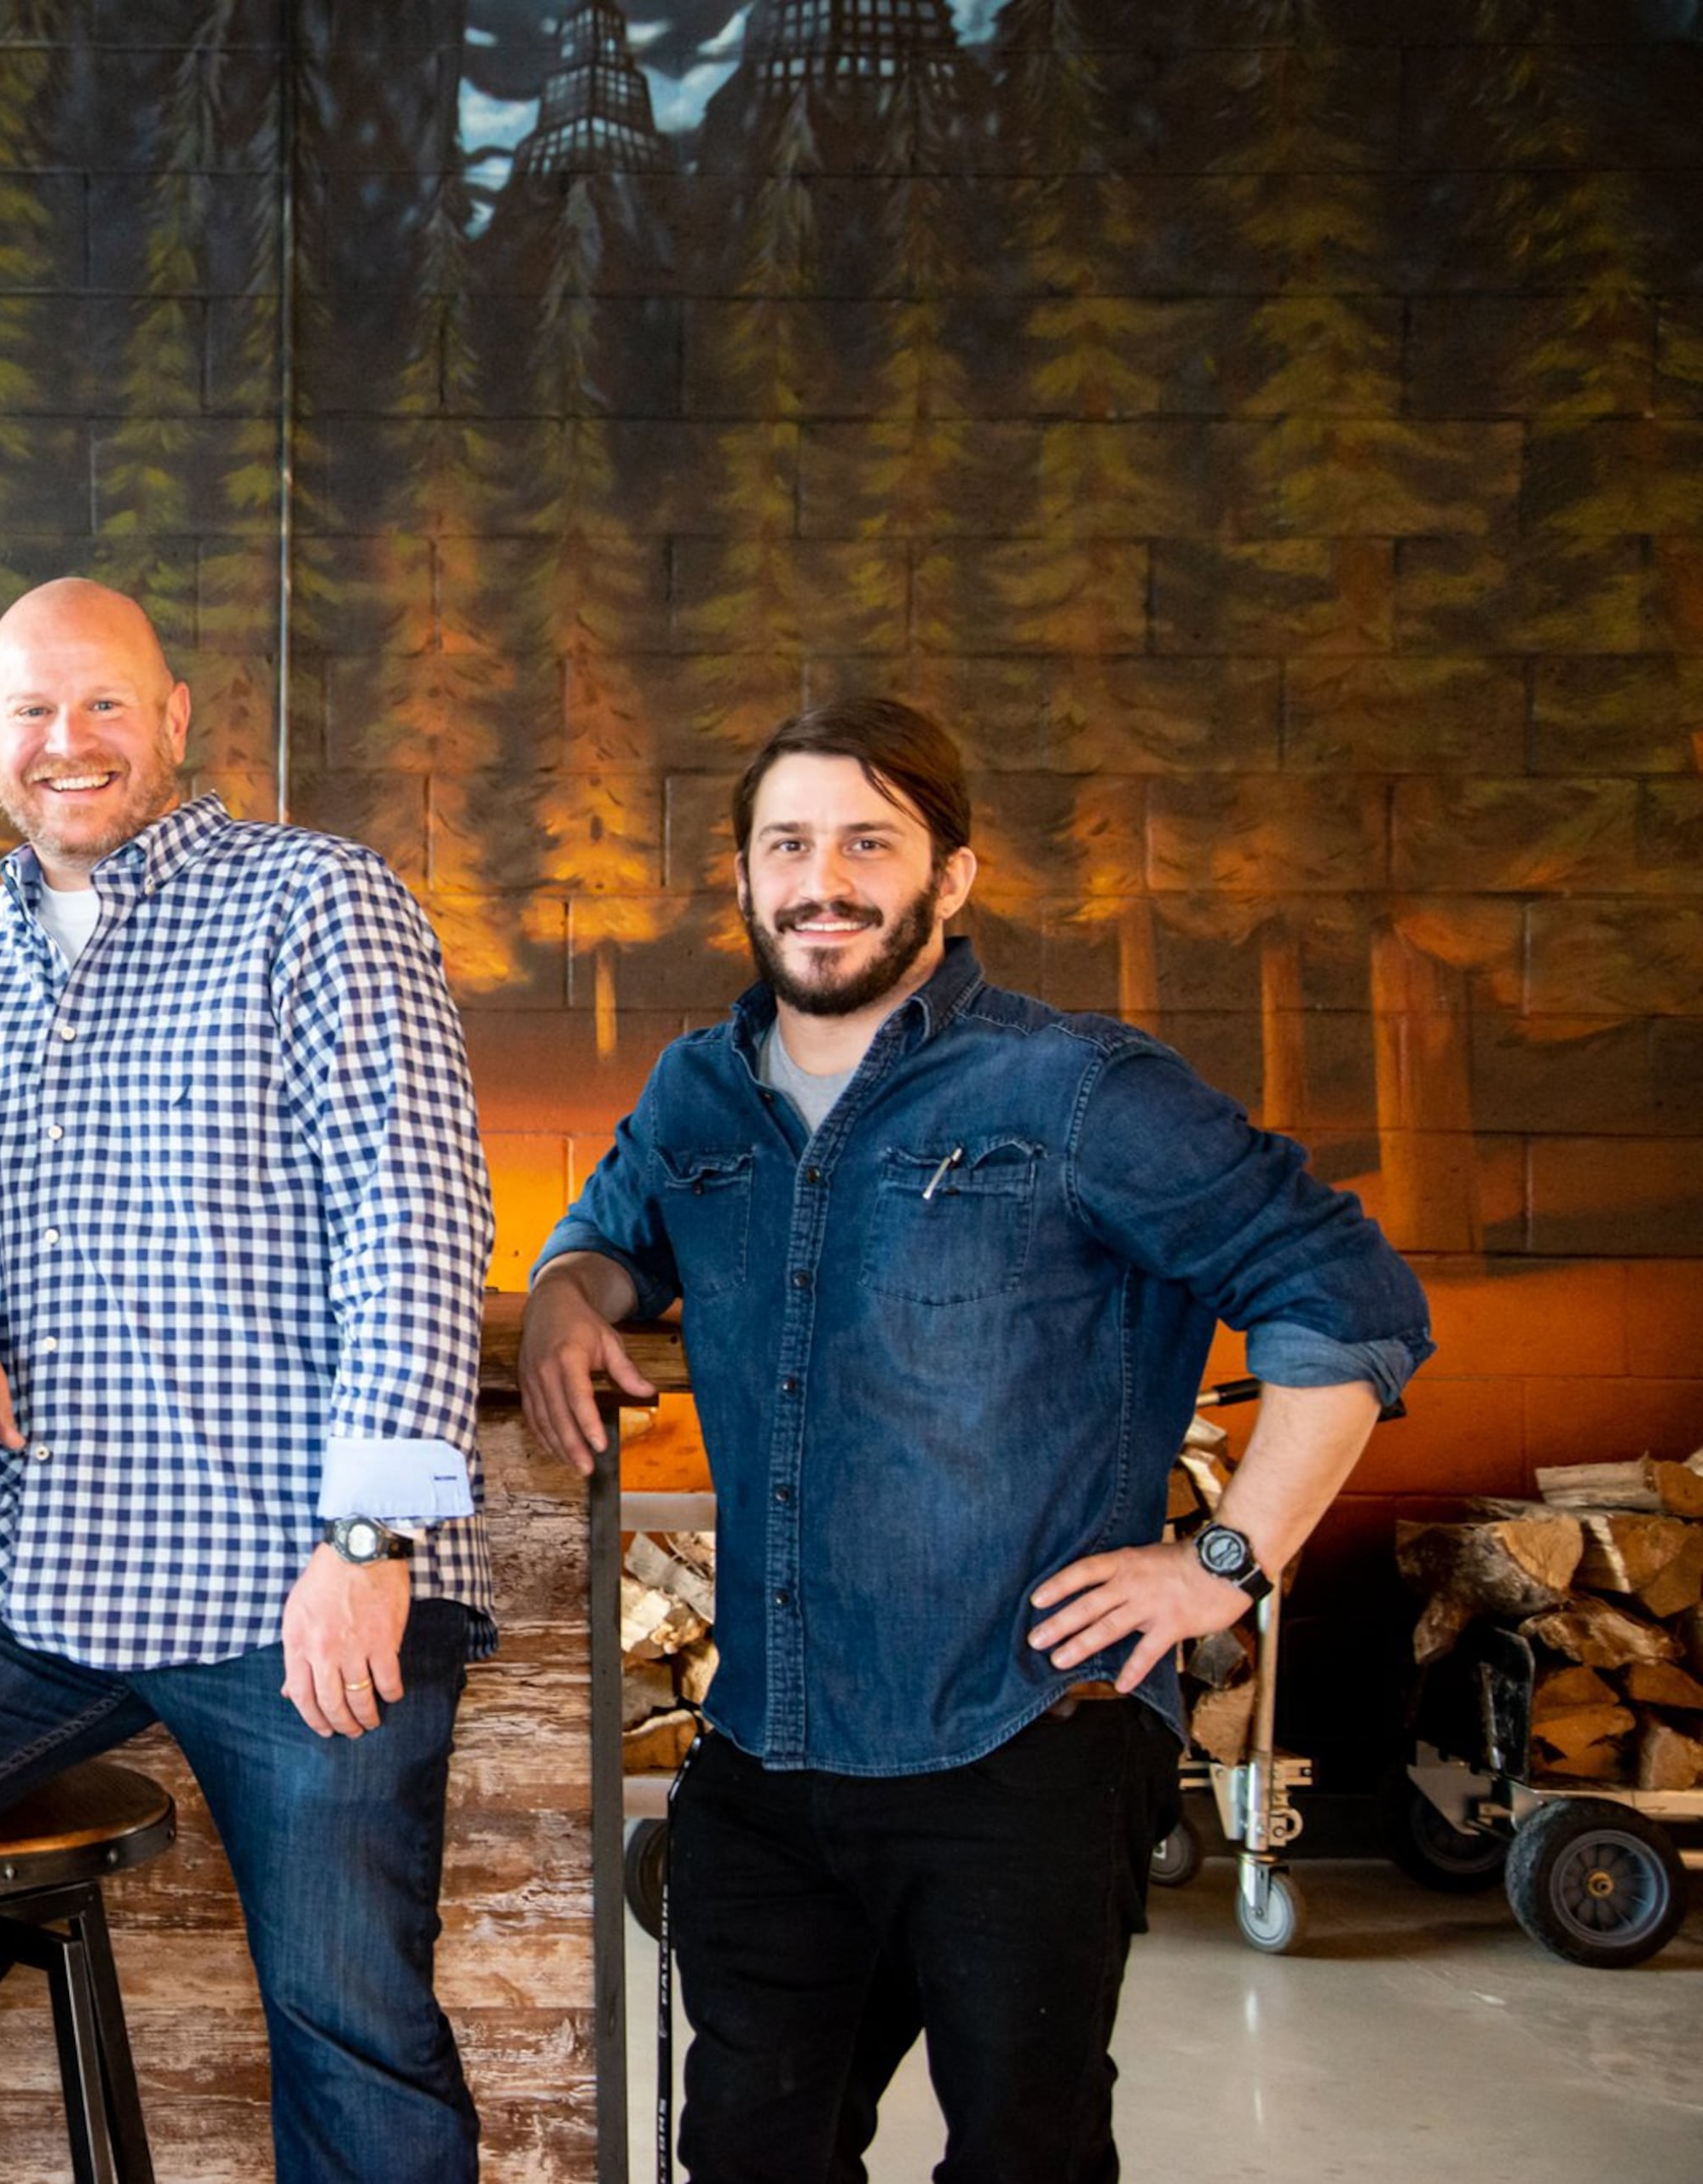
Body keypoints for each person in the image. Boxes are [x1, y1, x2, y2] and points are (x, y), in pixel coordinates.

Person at [518, 696, 1434, 2183]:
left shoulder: (1077, 1090)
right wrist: (572, 1289)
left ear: (950, 877)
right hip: (769, 1749)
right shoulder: (699, 1088)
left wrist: (1221, 1562)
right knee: (749, 2158)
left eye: (869, 843)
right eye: (789, 844)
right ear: (744, 877)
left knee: (1026, 2159)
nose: (825, 881)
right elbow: (609, 1227)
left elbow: (1348, 1295)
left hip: (1021, 1753)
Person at [0, 578, 497, 2184]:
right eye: (28, 711)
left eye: (99, 704)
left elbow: (419, 1218)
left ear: (174, 721)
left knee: (350, 2015)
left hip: (300, 1571)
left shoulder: (320, 901)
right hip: (41, 1552)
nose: (63, 742)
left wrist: (372, 1548)